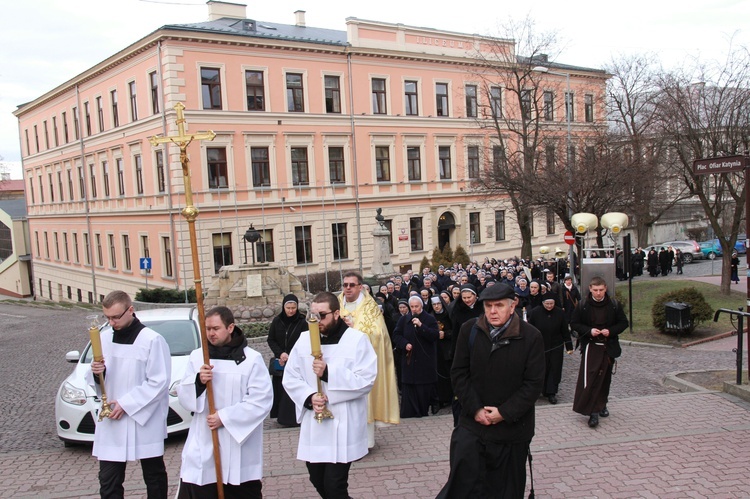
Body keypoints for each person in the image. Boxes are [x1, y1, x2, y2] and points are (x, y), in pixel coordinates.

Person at [437, 284, 545, 499]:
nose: (493, 311)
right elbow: (458, 373)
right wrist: (476, 409)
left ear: (512, 305)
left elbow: (533, 384)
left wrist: (504, 413)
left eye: (499, 306)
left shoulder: (531, 336)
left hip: (512, 431)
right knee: (463, 487)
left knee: (505, 490)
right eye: (488, 306)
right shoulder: (470, 330)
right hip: (473, 426)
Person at [283, 292, 377, 499]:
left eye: (322, 315)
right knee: (317, 480)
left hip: (343, 423)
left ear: (336, 313)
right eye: (312, 315)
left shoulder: (357, 340)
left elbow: (366, 379)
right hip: (315, 424)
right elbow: (290, 377)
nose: (316, 321)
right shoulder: (304, 339)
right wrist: (308, 397)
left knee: (334, 486)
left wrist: (328, 373)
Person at [177, 307, 273, 498]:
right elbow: (183, 394)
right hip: (204, 440)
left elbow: (261, 400)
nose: (211, 334)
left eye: (216, 328)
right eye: (207, 329)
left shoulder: (251, 359)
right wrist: (198, 382)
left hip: (239, 445)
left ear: (230, 328)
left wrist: (224, 417)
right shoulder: (198, 357)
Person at [87, 290, 171, 499]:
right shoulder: (103, 339)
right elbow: (96, 381)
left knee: (154, 476)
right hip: (112, 420)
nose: (112, 322)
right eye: (108, 318)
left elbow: (159, 381)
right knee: (109, 480)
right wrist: (98, 373)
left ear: (130, 310)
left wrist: (126, 404)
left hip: (143, 418)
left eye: (116, 317)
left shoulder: (152, 340)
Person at [338, 271, 400, 448]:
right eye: (345, 285)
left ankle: (365, 443)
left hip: (361, 364)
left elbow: (379, 333)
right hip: (341, 364)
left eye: (351, 285)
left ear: (359, 287)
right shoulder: (336, 304)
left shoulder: (369, 306)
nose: (348, 288)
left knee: (363, 402)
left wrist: (354, 327)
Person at [571, 276, 629, 428]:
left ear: (605, 289)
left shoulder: (614, 304)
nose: (598, 293)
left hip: (608, 346)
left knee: (605, 379)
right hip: (591, 346)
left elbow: (623, 323)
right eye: (595, 290)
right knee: (591, 379)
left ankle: (602, 404)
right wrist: (589, 331)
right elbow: (575, 324)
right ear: (590, 289)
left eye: (601, 290)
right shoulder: (583, 305)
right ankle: (593, 412)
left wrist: (610, 331)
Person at [393, 296, 440, 417]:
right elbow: (396, 335)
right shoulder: (404, 320)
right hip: (409, 361)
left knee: (423, 390)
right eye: (412, 307)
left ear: (421, 306)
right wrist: (405, 344)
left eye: (416, 306)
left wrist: (421, 325)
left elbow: (434, 335)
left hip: (424, 362)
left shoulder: (429, 319)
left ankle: (423, 412)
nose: (414, 309)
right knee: (409, 390)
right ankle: (408, 414)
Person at [267, 294, 308, 426]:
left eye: (293, 307)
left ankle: (295, 417)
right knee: (281, 389)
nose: (291, 310)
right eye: (288, 308)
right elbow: (271, 339)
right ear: (283, 307)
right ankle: (281, 417)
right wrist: (280, 354)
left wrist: (291, 354)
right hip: (281, 361)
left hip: (296, 361)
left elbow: (305, 340)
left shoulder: (302, 322)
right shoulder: (277, 321)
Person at [528, 296, 573, 404]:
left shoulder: (559, 313)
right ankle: (539, 390)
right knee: (540, 368)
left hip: (556, 345)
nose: (549, 306)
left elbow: (565, 330)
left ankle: (551, 392)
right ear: (542, 303)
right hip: (540, 346)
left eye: (551, 304)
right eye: (547, 304)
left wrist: (569, 346)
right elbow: (529, 330)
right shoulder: (535, 312)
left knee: (554, 368)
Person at [429, 295, 454, 409]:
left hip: (448, 349)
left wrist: (446, 334)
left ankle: (452, 397)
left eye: (438, 304)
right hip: (436, 350)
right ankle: (441, 399)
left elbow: (456, 331)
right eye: (434, 305)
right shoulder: (430, 317)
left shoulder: (449, 315)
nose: (436, 306)